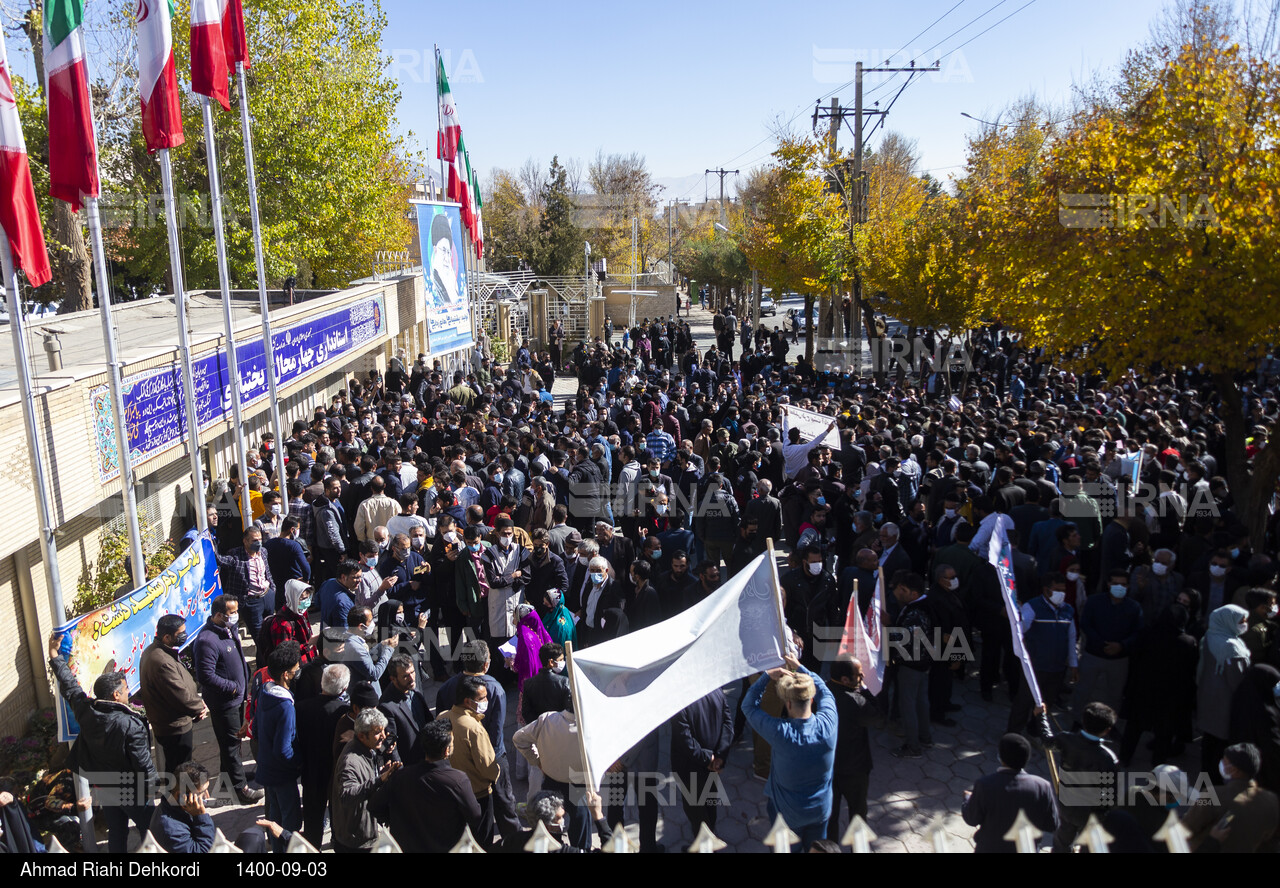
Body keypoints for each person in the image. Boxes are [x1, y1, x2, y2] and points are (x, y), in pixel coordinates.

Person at [48, 633, 156, 853]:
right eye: (126, 690)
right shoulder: (129, 725)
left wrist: (53, 655)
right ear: (116, 695)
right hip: (132, 790)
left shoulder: (86, 711)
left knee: (117, 832)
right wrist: (150, 788)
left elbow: (70, 686)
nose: (129, 692)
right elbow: (143, 763)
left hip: (105, 786)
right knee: (152, 831)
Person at [741, 654, 837, 850]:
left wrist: (767, 676)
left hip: (787, 814)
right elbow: (826, 693)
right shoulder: (829, 724)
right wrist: (801, 668)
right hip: (820, 810)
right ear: (811, 700)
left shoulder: (780, 732)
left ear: (789, 704)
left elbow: (748, 706)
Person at [371, 718, 482, 852]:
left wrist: (397, 822)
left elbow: (374, 806)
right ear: (446, 751)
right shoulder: (458, 780)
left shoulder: (400, 777)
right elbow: (475, 816)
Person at [193, 595, 262, 804]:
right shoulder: (207, 640)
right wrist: (232, 688)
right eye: (232, 613)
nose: (235, 616)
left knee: (233, 741)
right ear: (218, 615)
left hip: (236, 698)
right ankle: (241, 789)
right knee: (231, 744)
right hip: (224, 702)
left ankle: (230, 777)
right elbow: (205, 676)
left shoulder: (228, 630)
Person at [1030, 701, 1120, 853]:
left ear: (1083, 721)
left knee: (1062, 841)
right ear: (1107, 730)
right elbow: (1110, 796)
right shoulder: (1107, 758)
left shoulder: (1066, 739)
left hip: (1067, 804)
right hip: (1091, 813)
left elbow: (1047, 741)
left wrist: (1041, 716)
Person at [961, 733, 1059, 852]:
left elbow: (972, 819)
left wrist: (967, 799)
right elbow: (1052, 824)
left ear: (1001, 757)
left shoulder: (985, 785)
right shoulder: (1043, 787)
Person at [139, 614, 208, 774]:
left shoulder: (158, 651)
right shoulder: (161, 661)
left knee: (177, 767)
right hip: (174, 726)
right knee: (180, 768)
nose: (184, 636)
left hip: (173, 722)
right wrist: (199, 707)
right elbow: (179, 694)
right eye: (180, 634)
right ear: (167, 636)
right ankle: (176, 798)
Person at [1179, 742, 1280, 852]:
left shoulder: (1213, 795)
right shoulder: (1271, 800)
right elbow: (1272, 841)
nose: (1221, 764)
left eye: (1225, 762)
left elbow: (1187, 828)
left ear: (1234, 770)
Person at [441, 676, 501, 846]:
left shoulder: (443, 717)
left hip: (451, 793)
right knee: (482, 841)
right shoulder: (473, 729)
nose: (486, 701)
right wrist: (496, 775)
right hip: (478, 794)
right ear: (467, 701)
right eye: (482, 698)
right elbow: (487, 767)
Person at [330, 708, 401, 852]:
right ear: (362, 736)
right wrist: (379, 780)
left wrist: (381, 773)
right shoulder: (350, 761)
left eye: (383, 730)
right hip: (356, 841)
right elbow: (347, 794)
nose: (383, 736)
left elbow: (366, 778)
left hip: (367, 833)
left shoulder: (368, 749)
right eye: (377, 733)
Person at [296, 663, 350, 848]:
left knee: (313, 818)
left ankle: (312, 849)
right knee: (338, 815)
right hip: (335, 773)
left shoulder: (301, 708)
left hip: (312, 772)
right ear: (344, 688)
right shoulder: (344, 712)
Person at [256, 640, 303, 852]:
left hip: (267, 771)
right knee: (290, 825)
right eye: (296, 669)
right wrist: (299, 764)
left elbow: (256, 730)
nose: (298, 672)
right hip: (282, 775)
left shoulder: (265, 692)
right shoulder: (285, 707)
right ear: (286, 674)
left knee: (274, 821)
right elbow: (284, 750)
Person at [825, 656, 878, 841]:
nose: (862, 676)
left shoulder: (821, 692)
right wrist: (865, 690)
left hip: (828, 768)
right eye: (859, 674)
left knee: (829, 817)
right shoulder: (856, 701)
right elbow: (878, 719)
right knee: (858, 816)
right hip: (855, 769)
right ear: (845, 680)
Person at [670, 687, 733, 840]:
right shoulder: (717, 691)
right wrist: (719, 756)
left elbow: (684, 741)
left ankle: (705, 844)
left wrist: (708, 759)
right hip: (713, 766)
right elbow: (728, 725)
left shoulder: (679, 702)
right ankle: (710, 834)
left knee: (696, 812)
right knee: (710, 804)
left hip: (690, 768)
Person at [1199, 604, 1252, 781]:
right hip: (1226, 702)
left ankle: (1206, 776)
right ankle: (1214, 780)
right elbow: (1237, 680)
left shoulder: (1211, 635)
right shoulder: (1231, 647)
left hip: (1208, 696)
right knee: (1221, 743)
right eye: (1241, 621)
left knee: (1209, 740)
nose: (1244, 624)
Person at [377, 654, 433, 763]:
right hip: (410, 765)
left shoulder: (413, 689)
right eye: (406, 676)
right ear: (393, 679)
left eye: (412, 672)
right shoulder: (386, 707)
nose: (412, 678)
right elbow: (389, 746)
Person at [152, 760, 217, 853]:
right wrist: (201, 817)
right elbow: (205, 851)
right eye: (202, 792)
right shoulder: (171, 831)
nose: (207, 796)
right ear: (181, 795)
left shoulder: (173, 806)